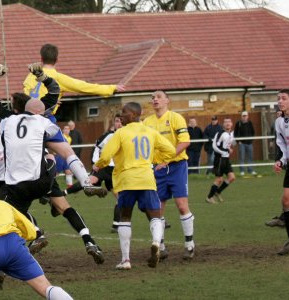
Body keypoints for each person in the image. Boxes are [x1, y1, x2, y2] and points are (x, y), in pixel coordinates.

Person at [0, 63, 105, 265]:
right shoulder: (44, 121)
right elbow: (55, 91)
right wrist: (42, 76)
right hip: (43, 176)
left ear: (16, 108)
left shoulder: (8, 120)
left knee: (6, 209)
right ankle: (89, 238)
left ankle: (36, 234)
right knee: (63, 205)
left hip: (18, 182)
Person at [93, 102, 176, 270]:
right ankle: (156, 243)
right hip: (146, 178)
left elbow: (106, 154)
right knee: (155, 216)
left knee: (125, 218)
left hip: (127, 180)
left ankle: (126, 260)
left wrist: (99, 165)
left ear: (133, 114)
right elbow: (171, 150)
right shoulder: (151, 132)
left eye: (124, 113)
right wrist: (155, 159)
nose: (121, 116)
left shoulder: (120, 133)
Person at [143, 90, 195, 260]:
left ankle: (189, 244)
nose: (155, 99)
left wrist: (167, 159)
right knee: (157, 208)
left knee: (181, 205)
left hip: (176, 166)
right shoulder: (147, 122)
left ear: (167, 100)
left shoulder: (175, 118)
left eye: (158, 96)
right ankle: (161, 246)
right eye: (153, 97)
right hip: (157, 169)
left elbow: (185, 141)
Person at [65, 113, 122, 232]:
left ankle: (116, 225)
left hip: (116, 171)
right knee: (88, 182)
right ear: (114, 123)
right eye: (117, 121)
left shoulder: (128, 136)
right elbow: (97, 147)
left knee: (120, 198)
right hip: (104, 167)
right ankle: (63, 193)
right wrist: (95, 162)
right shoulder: (109, 136)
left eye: (121, 121)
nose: (119, 123)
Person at [273, 89, 289, 255]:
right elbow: (283, 145)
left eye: (284, 98)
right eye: (279, 99)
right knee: (286, 201)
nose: (280, 101)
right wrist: (281, 160)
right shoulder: (279, 121)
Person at [206, 118, 236, 204]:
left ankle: (217, 192)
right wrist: (226, 151)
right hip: (219, 159)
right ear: (223, 124)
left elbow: (230, 143)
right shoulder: (220, 133)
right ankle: (209, 197)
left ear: (231, 124)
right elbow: (215, 146)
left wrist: (230, 148)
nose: (227, 123)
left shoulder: (231, 133)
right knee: (219, 179)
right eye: (226, 122)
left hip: (226, 159)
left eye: (229, 122)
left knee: (232, 177)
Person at [234, 111, 256, 176]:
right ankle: (242, 170)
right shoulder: (238, 123)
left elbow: (253, 132)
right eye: (243, 116)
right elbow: (235, 133)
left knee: (250, 157)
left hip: (249, 143)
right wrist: (238, 141)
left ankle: (250, 170)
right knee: (241, 157)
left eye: (245, 116)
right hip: (242, 144)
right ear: (241, 117)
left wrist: (251, 140)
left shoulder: (250, 123)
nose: (244, 117)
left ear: (247, 116)